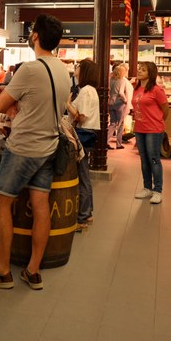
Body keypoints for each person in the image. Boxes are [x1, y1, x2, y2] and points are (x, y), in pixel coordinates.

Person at [0, 14, 70, 291]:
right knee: (40, 205)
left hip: (24, 147)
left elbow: (1, 105)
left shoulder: (30, 69)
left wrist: (16, 106)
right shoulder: (63, 70)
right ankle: (33, 271)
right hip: (49, 147)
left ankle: (1, 271)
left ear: (35, 36)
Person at [66, 58, 100, 230]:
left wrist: (67, 104)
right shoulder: (89, 90)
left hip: (83, 134)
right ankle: (88, 212)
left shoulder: (86, 91)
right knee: (84, 173)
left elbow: (82, 117)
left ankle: (83, 216)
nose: (76, 68)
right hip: (87, 133)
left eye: (79, 66)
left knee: (82, 175)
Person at [132, 61, 170, 204]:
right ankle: (147, 188)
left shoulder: (156, 90)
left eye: (143, 70)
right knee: (144, 159)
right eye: (139, 69)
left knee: (154, 159)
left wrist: (158, 121)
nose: (139, 71)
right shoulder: (136, 88)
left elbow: (165, 108)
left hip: (153, 130)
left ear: (150, 73)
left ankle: (157, 190)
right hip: (139, 128)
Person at [107, 64, 127, 149]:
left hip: (111, 103)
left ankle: (105, 141)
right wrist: (125, 100)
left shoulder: (110, 80)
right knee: (121, 123)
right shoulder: (122, 81)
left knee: (112, 123)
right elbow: (121, 93)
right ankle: (118, 144)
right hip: (119, 104)